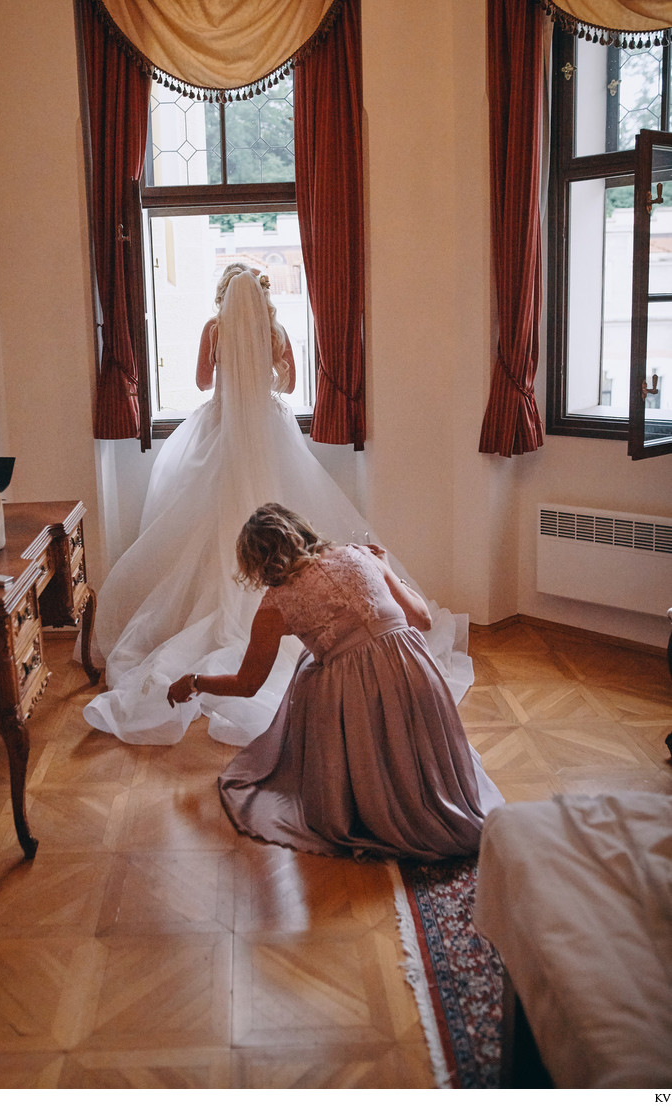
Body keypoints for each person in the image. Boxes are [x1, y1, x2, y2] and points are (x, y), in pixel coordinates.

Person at [82, 263, 474, 747]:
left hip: (222, 433)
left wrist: (230, 373)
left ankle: (220, 608)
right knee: (283, 506)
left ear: (224, 297)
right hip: (269, 430)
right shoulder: (277, 333)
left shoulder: (213, 329)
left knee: (210, 527)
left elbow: (204, 383)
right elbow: (286, 388)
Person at [168, 504, 504, 860]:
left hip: (360, 699)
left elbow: (248, 683)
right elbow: (421, 619)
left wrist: (194, 682)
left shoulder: (275, 605)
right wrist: (385, 568)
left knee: (311, 676)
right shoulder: (360, 555)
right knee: (308, 665)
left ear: (257, 563)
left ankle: (371, 795)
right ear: (302, 530)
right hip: (417, 674)